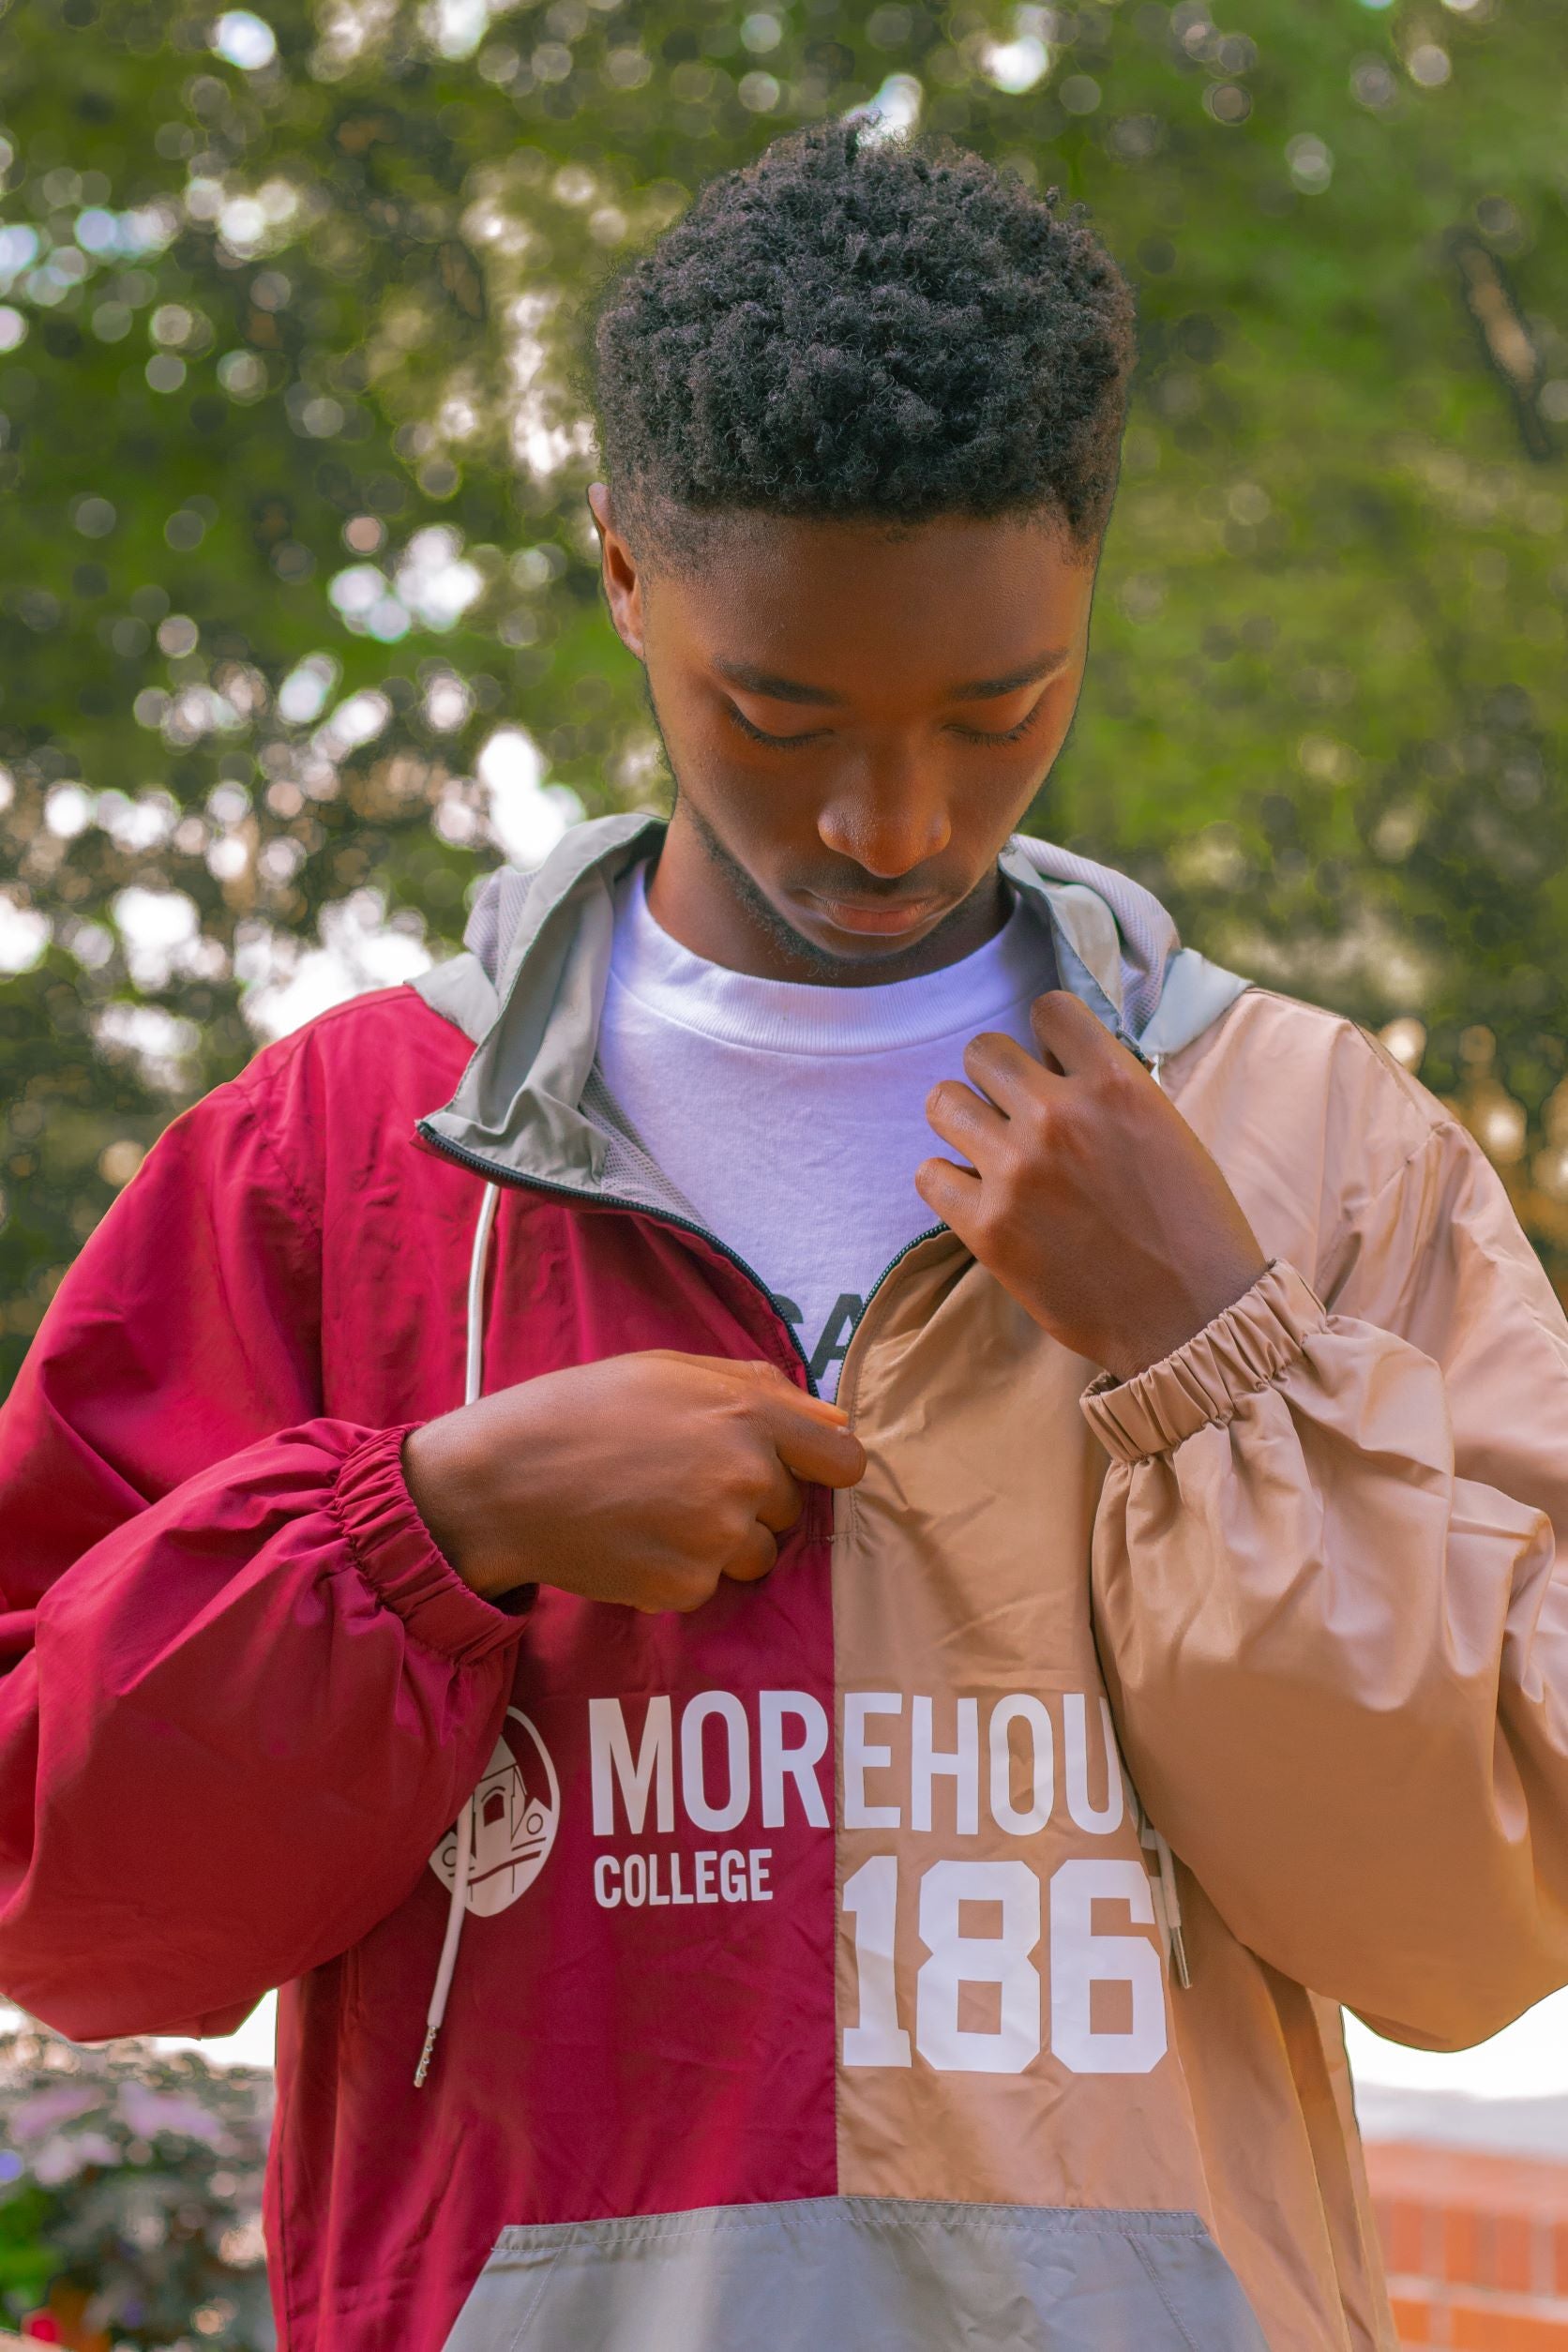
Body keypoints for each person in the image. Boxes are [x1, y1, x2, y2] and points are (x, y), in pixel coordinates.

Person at [2, 122, 1566, 2352]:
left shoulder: (1309, 1144)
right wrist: (423, 1525)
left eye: (998, 708)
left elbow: (1468, 1922)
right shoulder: (337, 1151)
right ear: (624, 575)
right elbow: (72, 1913)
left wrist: (1210, 1346)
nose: (889, 821)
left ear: (1086, 586)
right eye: (779, 710)